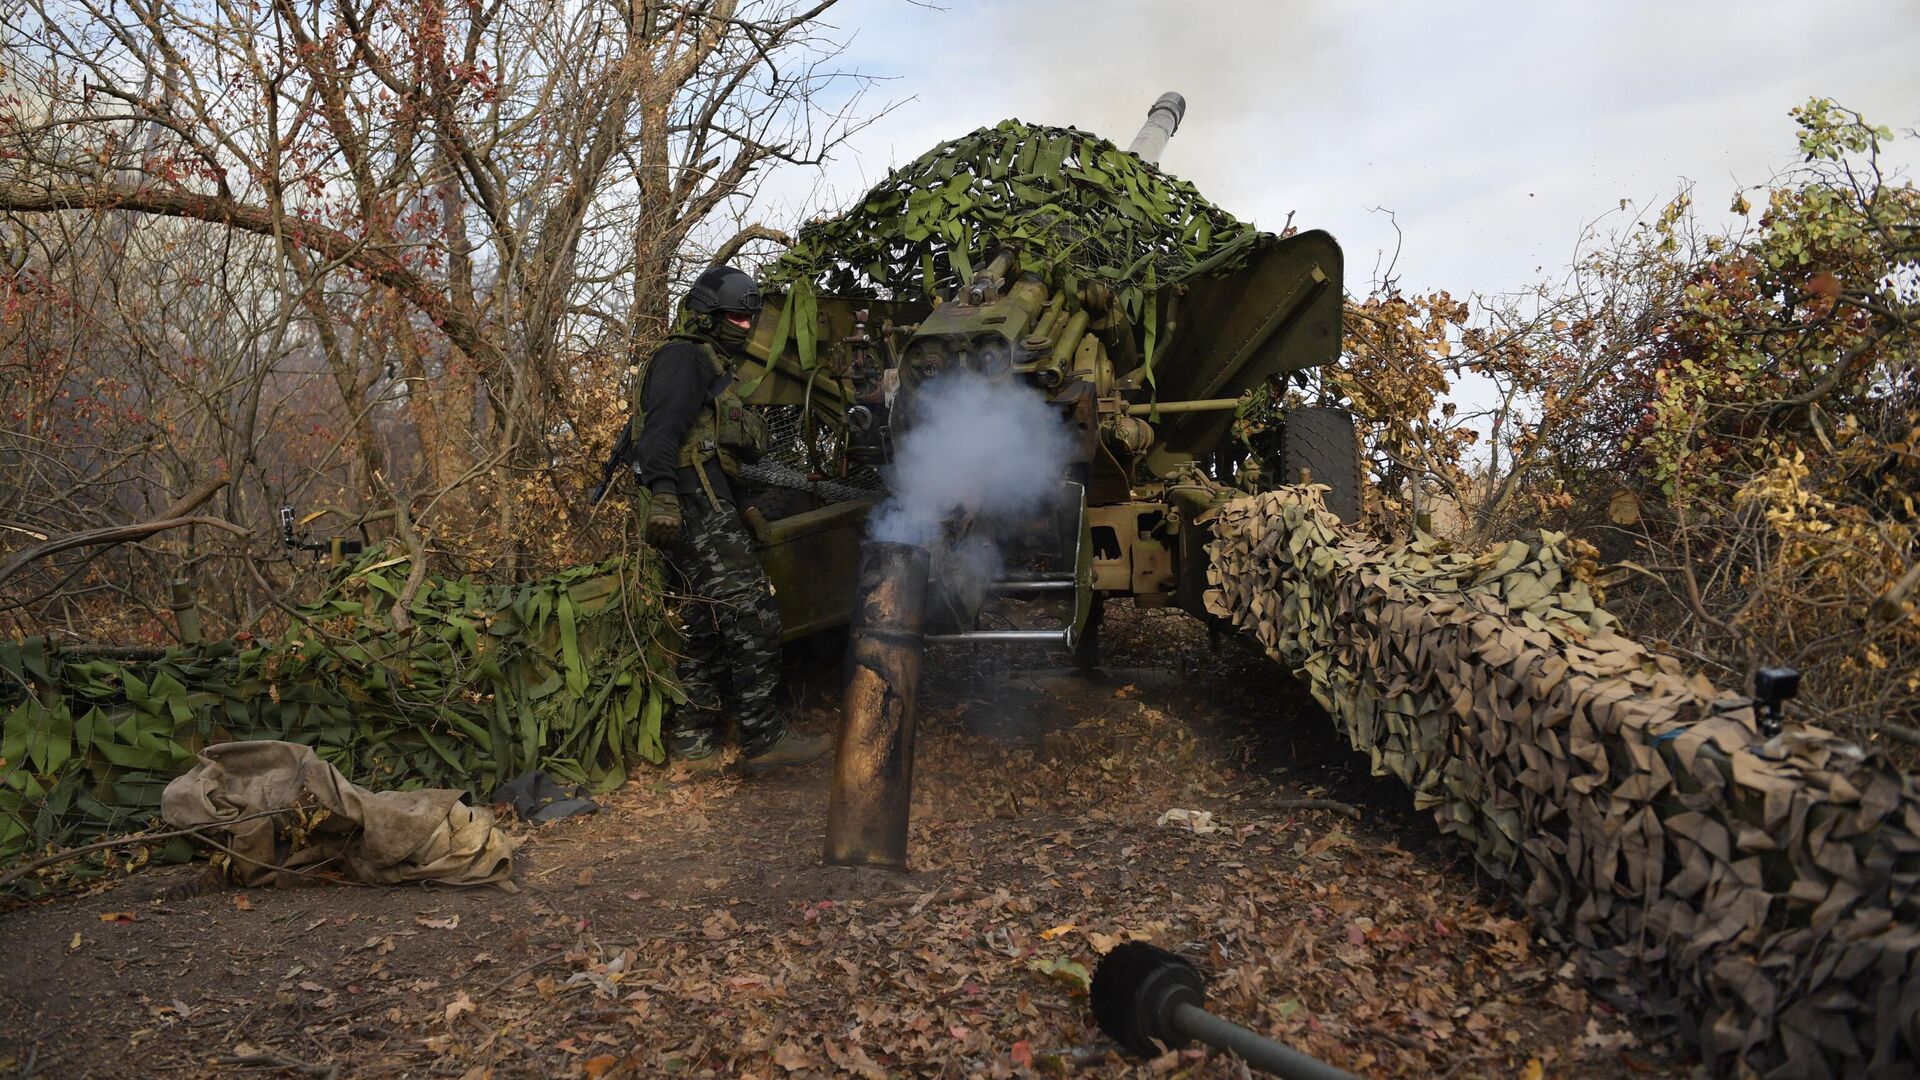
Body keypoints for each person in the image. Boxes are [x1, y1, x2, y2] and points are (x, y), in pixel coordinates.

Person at [629, 265, 831, 774]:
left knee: (703, 621)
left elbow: (713, 449)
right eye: (736, 320)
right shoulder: (681, 359)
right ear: (706, 316)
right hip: (690, 505)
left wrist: (744, 506)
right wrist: (663, 497)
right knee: (752, 616)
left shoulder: (707, 363)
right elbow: (660, 438)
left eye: (749, 320)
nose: (745, 328)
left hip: (707, 501)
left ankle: (695, 745)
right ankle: (763, 738)